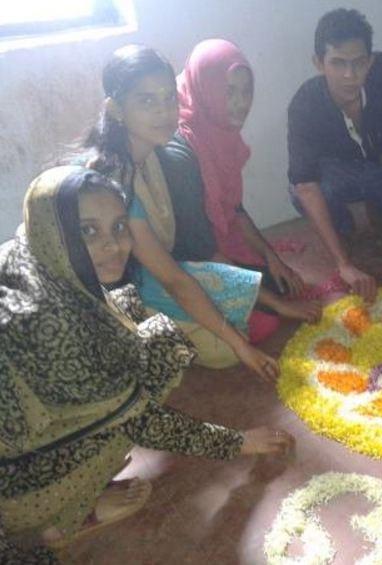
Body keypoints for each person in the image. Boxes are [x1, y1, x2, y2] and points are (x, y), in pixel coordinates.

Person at [0, 166, 294, 563]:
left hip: (16, 453)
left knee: (135, 322)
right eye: (88, 231)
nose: (113, 246)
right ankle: (62, 516)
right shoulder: (54, 324)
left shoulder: (27, 252)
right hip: (16, 491)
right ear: (58, 230)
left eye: (119, 227)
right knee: (157, 352)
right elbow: (143, 422)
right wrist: (240, 443)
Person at [80, 44, 319, 378]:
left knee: (243, 314)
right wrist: (242, 345)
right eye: (147, 101)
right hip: (104, 296)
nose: (164, 112)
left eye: (169, 98)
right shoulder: (112, 181)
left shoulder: (151, 156)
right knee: (226, 349)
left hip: (154, 273)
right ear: (116, 109)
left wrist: (275, 303)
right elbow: (173, 277)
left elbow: (194, 249)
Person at [287, 8, 382, 302]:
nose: (349, 75)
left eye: (358, 63)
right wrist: (344, 264)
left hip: (381, 165)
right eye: (337, 63)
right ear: (319, 63)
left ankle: (379, 210)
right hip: (335, 173)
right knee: (301, 191)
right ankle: (342, 227)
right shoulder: (304, 104)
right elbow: (305, 184)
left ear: (370, 60)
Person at [172, 38, 309, 300]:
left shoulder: (222, 133)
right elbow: (195, 242)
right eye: (229, 91)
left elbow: (234, 207)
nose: (241, 103)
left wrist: (272, 257)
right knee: (262, 315)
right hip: (189, 252)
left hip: (218, 235)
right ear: (205, 88)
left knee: (279, 282)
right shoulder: (181, 149)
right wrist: (271, 301)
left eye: (246, 91)